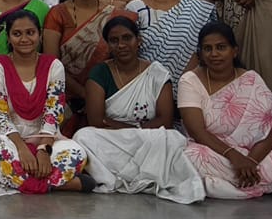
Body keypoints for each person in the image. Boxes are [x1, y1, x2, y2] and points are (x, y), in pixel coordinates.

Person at [71, 14, 204, 202]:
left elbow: (165, 120)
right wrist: (135, 131)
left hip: (147, 138)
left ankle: (126, 175)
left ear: (138, 40)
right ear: (108, 45)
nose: (121, 45)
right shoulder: (100, 73)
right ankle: (121, 177)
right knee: (83, 136)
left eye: (127, 38)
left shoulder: (157, 73)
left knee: (171, 138)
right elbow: (96, 121)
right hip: (115, 140)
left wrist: (132, 130)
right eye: (114, 40)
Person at [178, 21, 272, 199]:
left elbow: (269, 131)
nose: (214, 54)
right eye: (207, 49)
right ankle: (269, 185)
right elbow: (197, 132)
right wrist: (235, 157)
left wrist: (250, 161)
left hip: (251, 154)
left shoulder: (251, 79)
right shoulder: (189, 81)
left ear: (234, 51)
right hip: (211, 150)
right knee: (191, 157)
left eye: (221, 47)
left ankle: (231, 184)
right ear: (200, 53)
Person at [0, 11, 90, 195]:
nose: (24, 39)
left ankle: (10, 181)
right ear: (8, 38)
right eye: (17, 34)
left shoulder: (53, 65)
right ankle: (57, 184)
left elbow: (53, 114)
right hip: (8, 139)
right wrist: (22, 149)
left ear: (40, 35)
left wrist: (43, 150)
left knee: (77, 154)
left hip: (45, 138)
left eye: (30, 33)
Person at [125, 0, 217, 82]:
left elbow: (207, 50)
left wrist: (185, 82)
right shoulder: (134, 9)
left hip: (191, 83)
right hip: (143, 83)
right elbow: (126, 51)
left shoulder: (199, 10)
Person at [44, 0, 115, 95]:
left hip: (107, 91)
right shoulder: (57, 14)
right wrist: (83, 94)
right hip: (65, 93)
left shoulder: (112, 13)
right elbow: (52, 63)